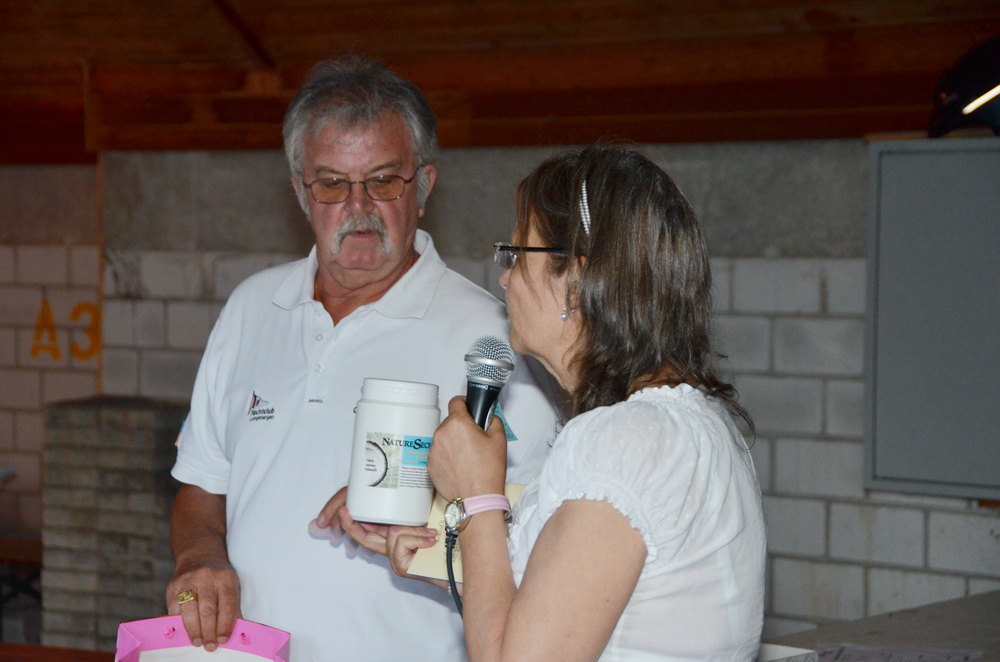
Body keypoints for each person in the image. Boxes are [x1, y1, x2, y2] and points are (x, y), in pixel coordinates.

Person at [165, 54, 558, 661]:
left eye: (383, 180)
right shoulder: (251, 308)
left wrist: (415, 508)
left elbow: (543, 539)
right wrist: (200, 557)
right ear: (300, 191)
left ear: (424, 186)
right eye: (331, 184)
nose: (359, 206)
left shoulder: (495, 339)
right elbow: (201, 481)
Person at [335, 144, 768, 661]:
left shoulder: (621, 442)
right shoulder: (688, 422)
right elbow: (582, 614)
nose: (505, 276)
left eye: (518, 254)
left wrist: (476, 498)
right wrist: (445, 559)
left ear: (577, 283)